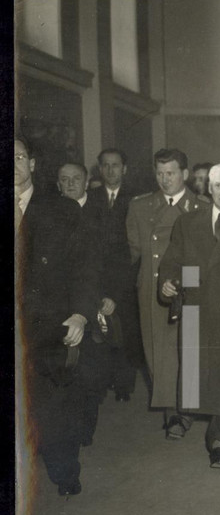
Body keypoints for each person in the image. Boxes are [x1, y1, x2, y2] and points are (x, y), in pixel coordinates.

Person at [16, 138, 101, 496]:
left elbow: (85, 266)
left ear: (33, 164)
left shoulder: (60, 210)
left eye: (19, 157)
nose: (13, 164)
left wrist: (80, 314)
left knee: (53, 408)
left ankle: (64, 473)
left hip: (49, 325)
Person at [159, 164, 220, 469]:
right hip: (198, 309)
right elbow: (173, 260)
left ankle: (218, 442)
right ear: (207, 189)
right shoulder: (188, 223)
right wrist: (169, 281)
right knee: (202, 378)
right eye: (218, 186)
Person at [126, 148, 208, 439]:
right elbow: (132, 252)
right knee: (158, 353)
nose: (164, 179)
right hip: (151, 288)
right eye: (160, 173)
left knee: (187, 349)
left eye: (170, 173)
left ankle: (182, 412)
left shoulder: (202, 207)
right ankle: (173, 411)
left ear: (184, 174)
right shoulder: (140, 207)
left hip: (190, 285)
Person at [57, 162, 130, 446]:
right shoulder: (49, 214)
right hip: (61, 304)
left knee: (91, 371)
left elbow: (119, 260)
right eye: (64, 179)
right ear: (57, 184)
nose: (70, 184)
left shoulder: (104, 215)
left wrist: (112, 295)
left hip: (96, 303)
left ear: (87, 181)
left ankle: (84, 428)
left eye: (76, 179)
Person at [96, 147, 142, 402]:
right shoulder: (92, 198)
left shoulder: (137, 198)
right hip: (98, 275)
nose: (110, 170)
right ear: (99, 169)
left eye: (115, 165)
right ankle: (102, 383)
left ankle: (124, 385)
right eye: (106, 165)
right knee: (100, 331)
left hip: (127, 274)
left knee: (126, 331)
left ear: (124, 169)